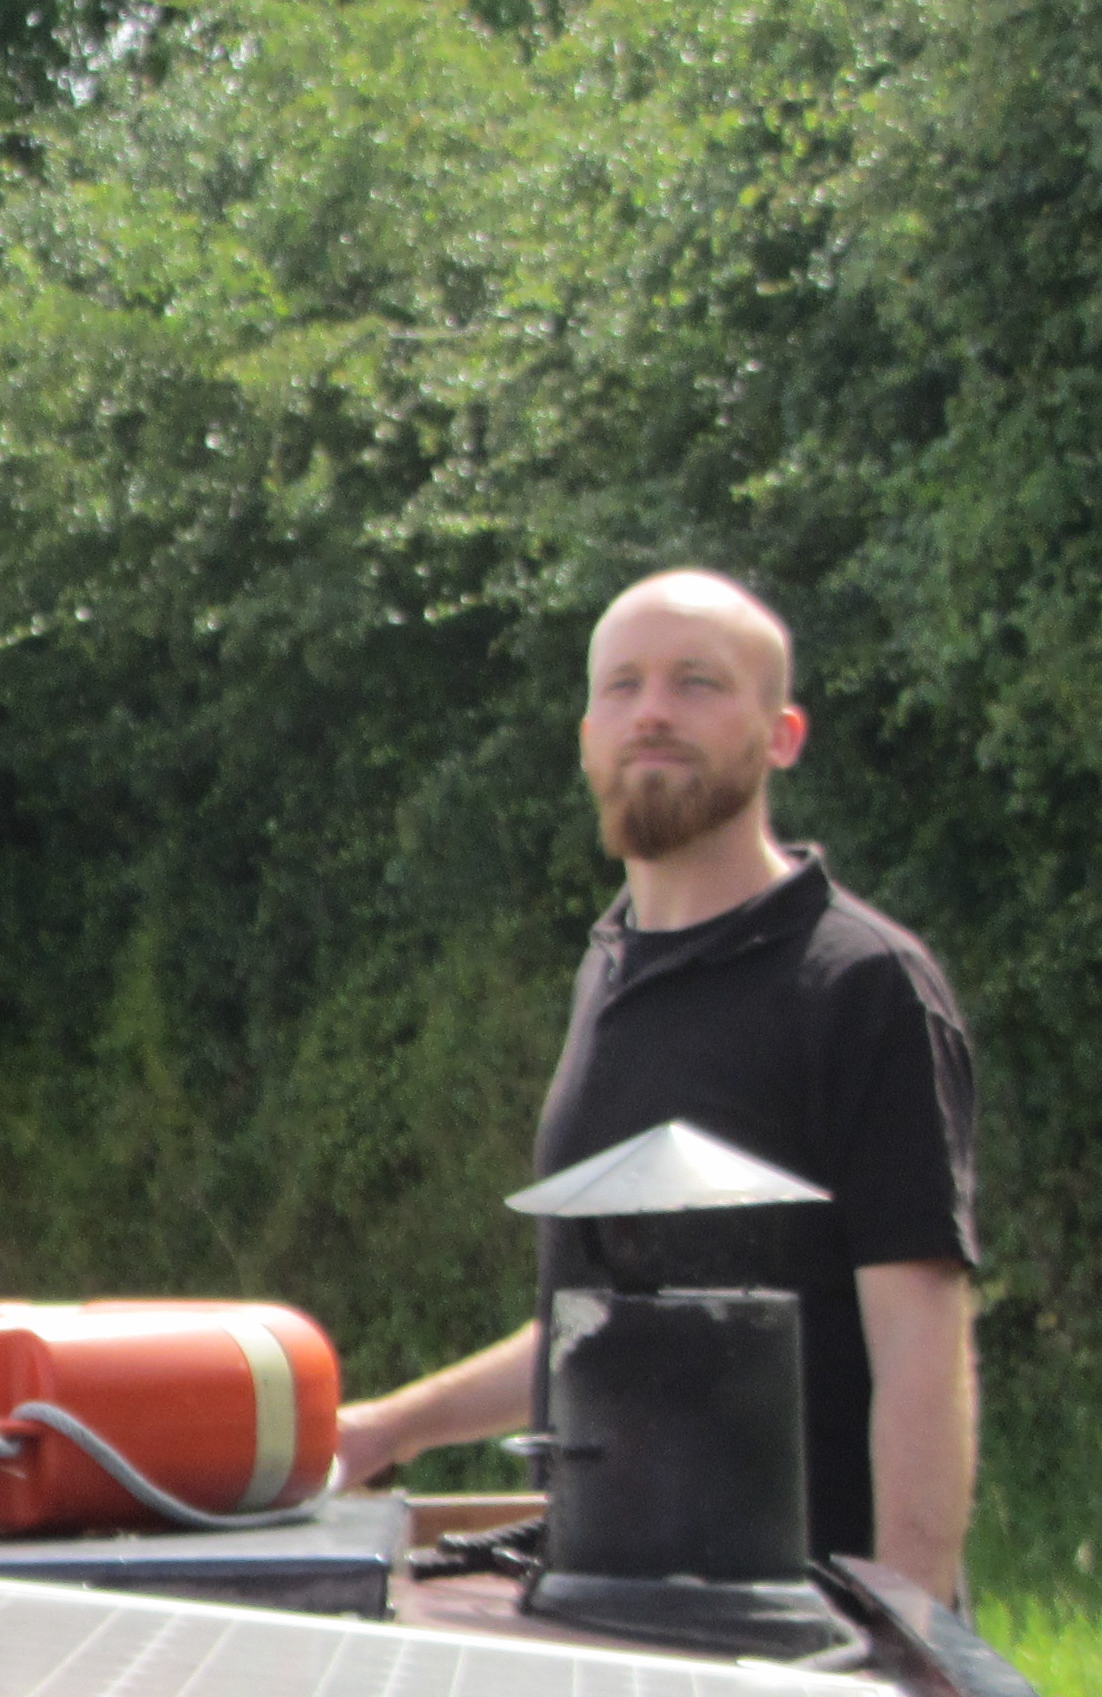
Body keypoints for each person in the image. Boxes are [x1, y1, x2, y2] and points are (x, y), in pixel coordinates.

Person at [333, 571, 980, 1594]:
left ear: (781, 735)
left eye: (697, 683)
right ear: (587, 734)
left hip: (795, 1637)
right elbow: (604, 1324)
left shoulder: (862, 986)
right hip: (608, 1619)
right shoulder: (609, 970)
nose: (653, 712)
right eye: (623, 686)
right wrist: (388, 1429)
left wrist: (908, 1635)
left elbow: (918, 1352)